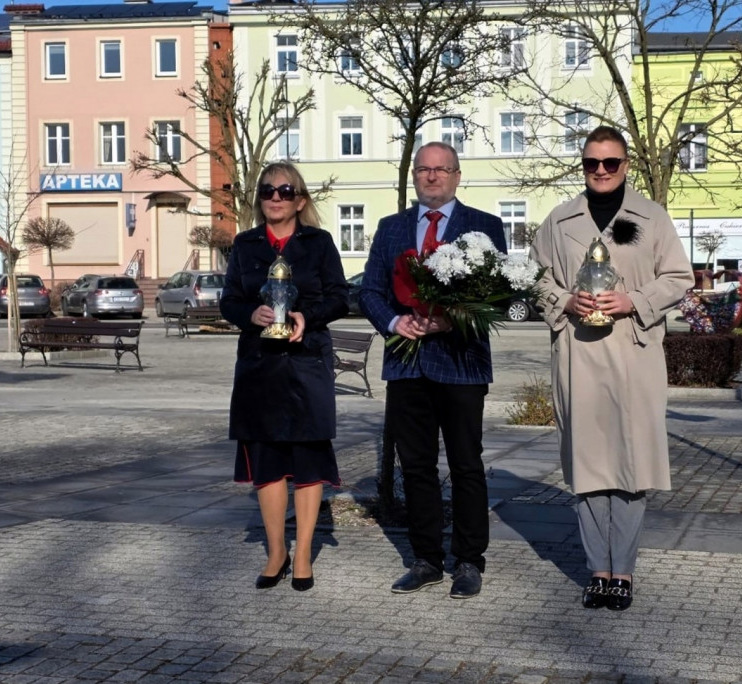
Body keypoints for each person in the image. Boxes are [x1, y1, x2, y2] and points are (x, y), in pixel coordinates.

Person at [530, 126, 693, 611]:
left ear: (626, 165)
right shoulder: (559, 220)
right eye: (591, 163)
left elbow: (678, 277)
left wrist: (634, 300)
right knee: (587, 465)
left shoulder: (652, 217)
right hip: (577, 356)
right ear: (582, 165)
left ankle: (623, 570)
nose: (600, 170)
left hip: (634, 356)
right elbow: (535, 278)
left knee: (631, 464)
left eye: (610, 162)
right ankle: (597, 571)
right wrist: (565, 300)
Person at [359, 141, 507, 599]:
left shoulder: (485, 226)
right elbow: (369, 291)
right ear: (415, 176)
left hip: (461, 364)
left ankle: (469, 560)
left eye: (441, 169)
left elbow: (499, 297)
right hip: (407, 365)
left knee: (466, 465)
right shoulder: (391, 228)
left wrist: (452, 319)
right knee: (416, 467)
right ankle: (426, 559)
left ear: (457, 176)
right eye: (424, 169)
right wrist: (394, 322)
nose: (432, 176)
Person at [219, 161, 349, 592]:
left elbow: (340, 298)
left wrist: (306, 316)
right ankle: (277, 552)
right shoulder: (245, 244)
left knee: (308, 459)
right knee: (268, 461)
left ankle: (304, 552)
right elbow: (228, 301)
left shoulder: (319, 242)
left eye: (285, 191)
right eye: (268, 191)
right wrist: (249, 314)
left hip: (306, 363)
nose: (276, 198)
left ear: (300, 200)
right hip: (259, 366)